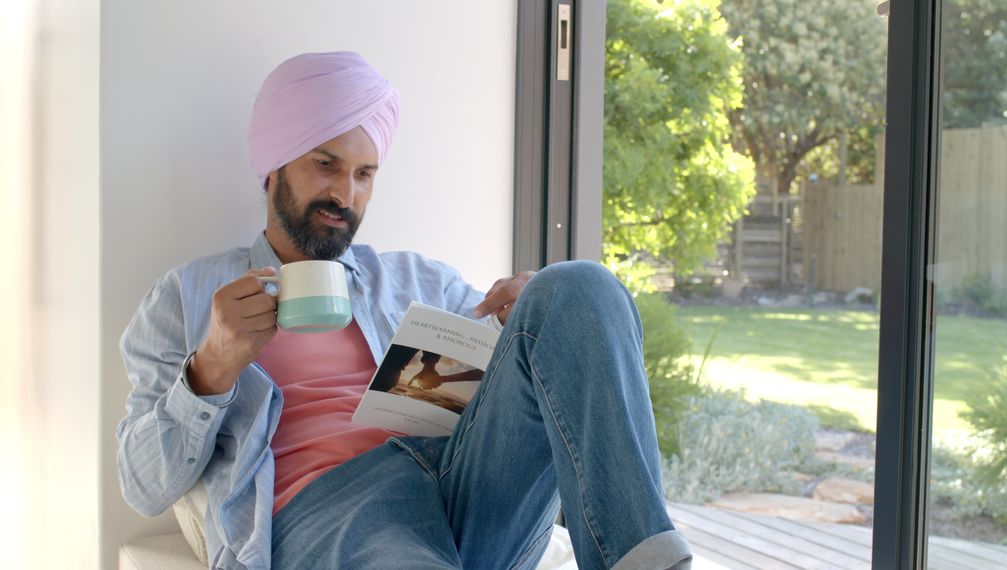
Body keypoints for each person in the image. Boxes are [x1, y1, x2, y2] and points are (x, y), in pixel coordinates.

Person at [116, 51, 692, 570]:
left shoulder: (416, 279)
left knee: (578, 286)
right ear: (273, 169)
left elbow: (521, 369)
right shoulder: (191, 297)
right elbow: (141, 486)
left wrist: (533, 311)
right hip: (329, 508)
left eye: (364, 174)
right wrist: (211, 368)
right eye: (325, 164)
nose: (346, 194)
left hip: (460, 485)